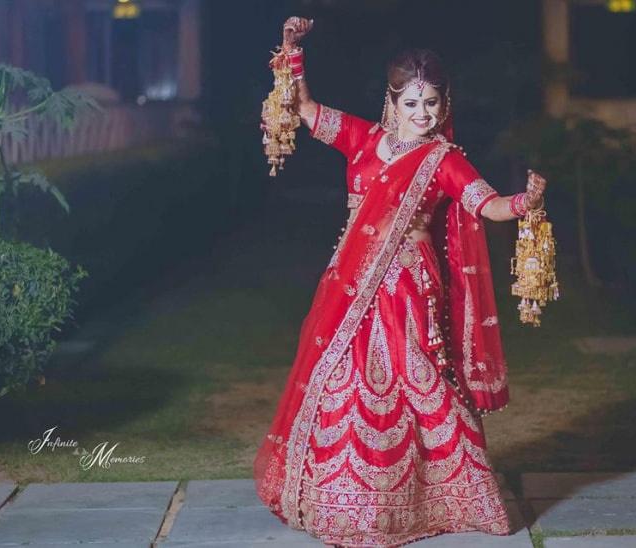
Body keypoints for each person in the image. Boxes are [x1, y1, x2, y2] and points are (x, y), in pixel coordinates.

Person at [254, 16, 547, 547]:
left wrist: (525, 203)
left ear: (444, 104)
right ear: (391, 102)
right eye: (412, 103)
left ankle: (442, 497)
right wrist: (294, 51)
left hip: (409, 289)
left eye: (432, 103)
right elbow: (303, 108)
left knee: (417, 380)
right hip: (351, 284)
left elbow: (490, 205)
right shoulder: (362, 139)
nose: (422, 114)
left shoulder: (443, 160)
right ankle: (345, 505)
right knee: (344, 381)